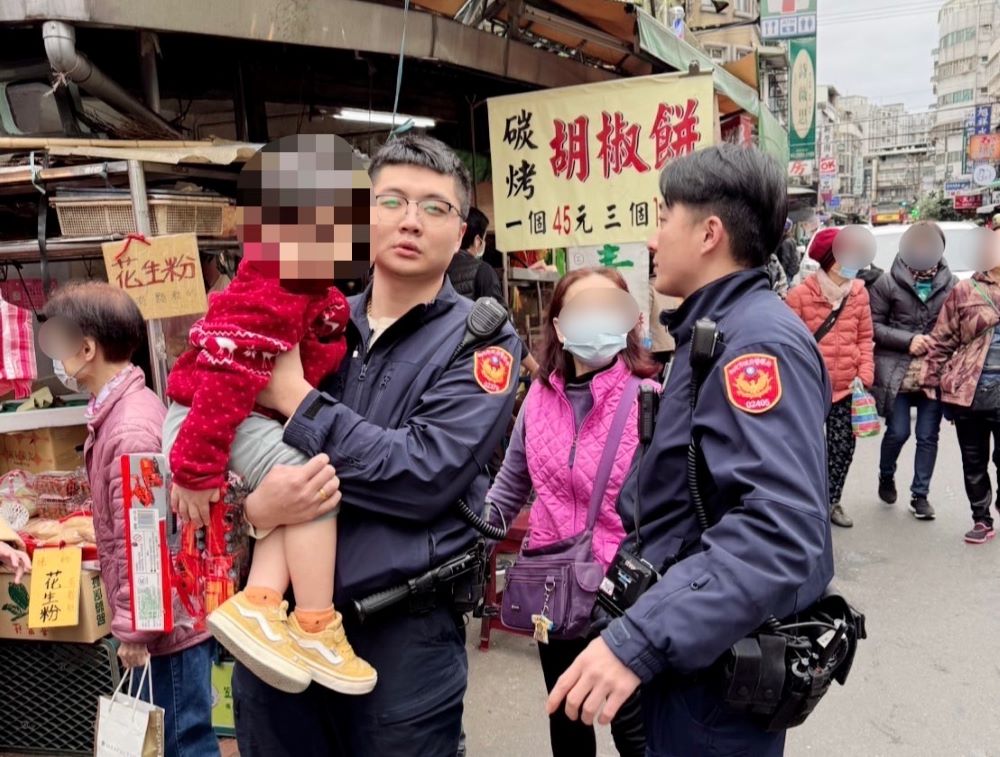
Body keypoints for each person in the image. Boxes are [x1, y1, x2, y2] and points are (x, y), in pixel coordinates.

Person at [229, 134, 522, 756]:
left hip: (401, 643)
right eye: (390, 200)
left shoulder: (483, 340)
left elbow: (421, 475)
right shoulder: (309, 315)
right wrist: (253, 510)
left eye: (435, 207)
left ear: (464, 230)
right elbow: (231, 443)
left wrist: (297, 400)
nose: (410, 220)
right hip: (278, 631)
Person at [544, 145, 833, 756]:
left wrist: (638, 639)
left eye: (662, 217)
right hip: (696, 648)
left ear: (708, 233)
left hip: (714, 675)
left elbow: (778, 528)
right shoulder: (716, 331)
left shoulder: (756, 342)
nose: (651, 240)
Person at [163, 134, 376, 697]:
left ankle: (260, 604)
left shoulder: (303, 281)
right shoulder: (275, 280)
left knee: (301, 479)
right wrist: (195, 466)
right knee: (312, 482)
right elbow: (228, 376)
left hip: (227, 420)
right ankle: (314, 622)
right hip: (209, 421)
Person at [39, 282, 219, 757]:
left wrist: (135, 633)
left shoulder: (130, 428)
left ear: (87, 347)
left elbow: (147, 538)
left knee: (183, 741)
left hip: (167, 629)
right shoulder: (118, 413)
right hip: (168, 620)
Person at [486, 267, 655, 757]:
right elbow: (509, 486)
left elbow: (668, 510)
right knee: (567, 722)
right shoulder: (538, 397)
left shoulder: (650, 399)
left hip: (624, 599)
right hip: (553, 588)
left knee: (636, 732)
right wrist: (469, 535)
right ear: (559, 326)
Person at [786, 226, 876, 528]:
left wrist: (864, 373)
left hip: (848, 388)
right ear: (830, 259)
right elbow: (789, 345)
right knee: (807, 451)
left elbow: (865, 337)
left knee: (842, 450)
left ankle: (831, 501)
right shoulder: (799, 296)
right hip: (811, 389)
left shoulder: (859, 293)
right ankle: (807, 503)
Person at [870, 222, 956, 520]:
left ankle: (920, 495)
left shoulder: (952, 284)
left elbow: (957, 326)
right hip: (898, 374)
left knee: (928, 436)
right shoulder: (886, 283)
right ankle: (885, 474)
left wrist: (940, 341)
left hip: (933, 374)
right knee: (898, 432)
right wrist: (910, 340)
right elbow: (873, 326)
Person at [922, 228, 1000, 544]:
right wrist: (929, 380)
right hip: (969, 391)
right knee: (974, 460)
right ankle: (981, 519)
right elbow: (942, 338)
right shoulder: (965, 291)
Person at [448, 206, 540, 375]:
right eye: (484, 238)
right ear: (477, 241)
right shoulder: (482, 271)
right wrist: (534, 367)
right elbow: (501, 326)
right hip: (472, 368)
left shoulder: (438, 268)